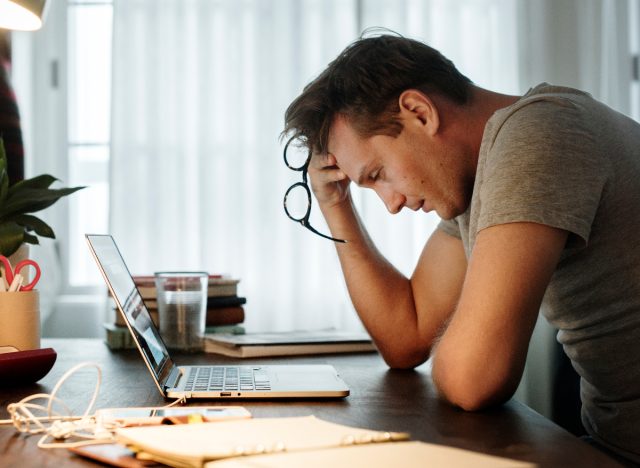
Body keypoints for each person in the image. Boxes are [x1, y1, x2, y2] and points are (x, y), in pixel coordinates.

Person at [282, 33, 640, 465]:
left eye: (378, 174)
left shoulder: (540, 133)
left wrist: (464, 346)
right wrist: (335, 204)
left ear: (419, 112)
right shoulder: (481, 178)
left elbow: (475, 378)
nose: (392, 203)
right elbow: (406, 338)